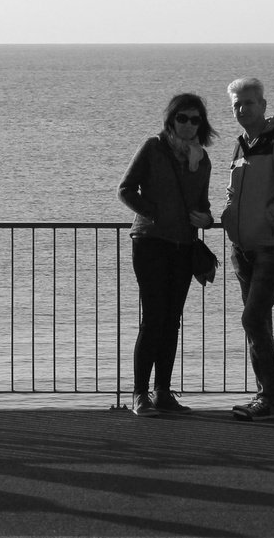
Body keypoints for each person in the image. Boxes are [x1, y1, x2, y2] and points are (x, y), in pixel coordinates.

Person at [118, 93, 216, 416]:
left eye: (195, 119)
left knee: (172, 321)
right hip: (150, 242)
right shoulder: (153, 148)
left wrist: (207, 218)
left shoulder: (202, 161)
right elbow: (125, 189)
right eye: (182, 118)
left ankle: (162, 391)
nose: (188, 125)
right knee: (154, 318)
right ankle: (139, 394)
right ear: (171, 120)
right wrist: (154, 213)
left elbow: (201, 205)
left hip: (183, 246)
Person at [220, 77, 274, 421]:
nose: (242, 109)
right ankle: (267, 398)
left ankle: (270, 398)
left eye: (248, 103)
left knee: (252, 318)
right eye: (236, 105)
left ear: (263, 105)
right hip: (243, 249)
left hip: (273, 245)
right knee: (259, 322)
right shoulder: (241, 145)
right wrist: (229, 218)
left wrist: (270, 219)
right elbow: (233, 193)